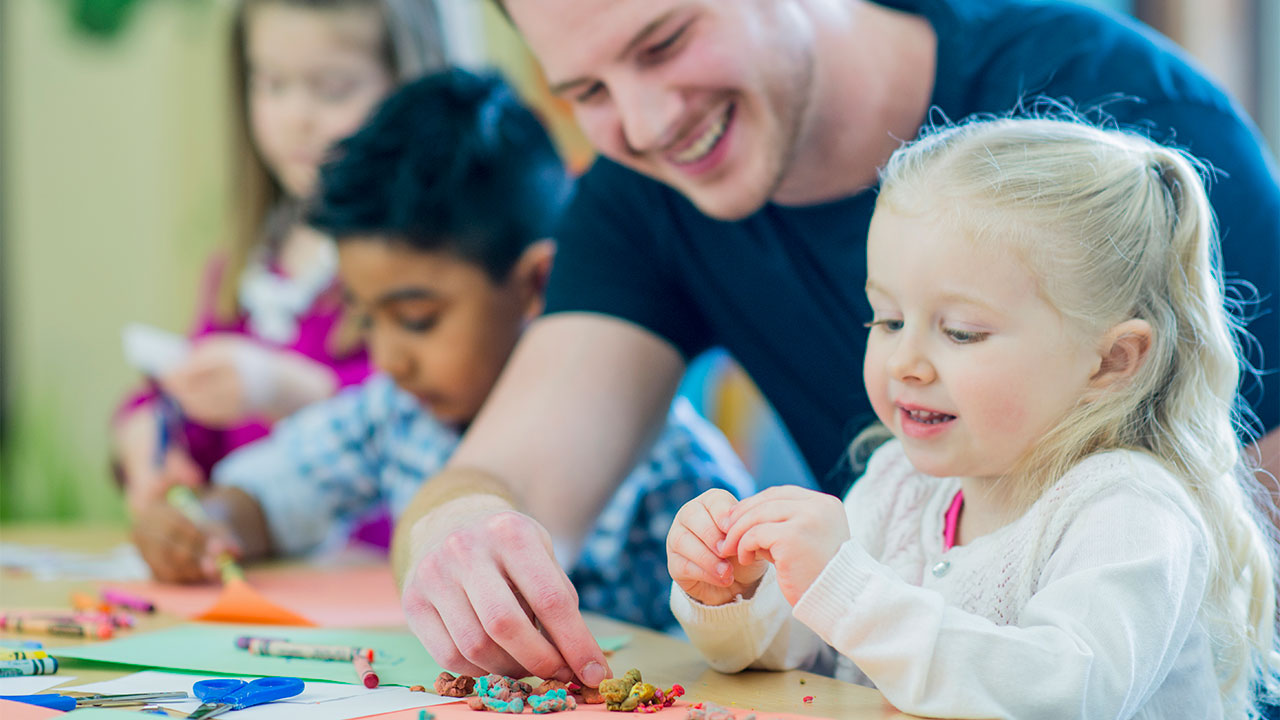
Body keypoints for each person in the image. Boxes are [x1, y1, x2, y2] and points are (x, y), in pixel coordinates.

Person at [391, 0, 1280, 689]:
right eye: (583, 92)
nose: (645, 121)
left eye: (663, 43)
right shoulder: (642, 190)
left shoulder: (1131, 120)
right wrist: (466, 538)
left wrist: (853, 592)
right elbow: (504, 477)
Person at [668, 116, 1279, 718]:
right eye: (887, 320)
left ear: (1111, 362)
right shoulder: (898, 484)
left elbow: (1065, 696)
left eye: (961, 332)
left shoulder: (1130, 512)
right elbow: (806, 658)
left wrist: (847, 587)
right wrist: (736, 597)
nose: (905, 362)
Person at [129, 69, 755, 634]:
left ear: (537, 284)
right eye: (365, 319)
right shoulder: (395, 414)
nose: (389, 357)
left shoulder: (670, 467)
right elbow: (275, 494)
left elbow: (752, 637)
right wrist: (206, 525)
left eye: (416, 319)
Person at [112, 0, 447, 522]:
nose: (296, 119)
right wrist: (149, 436)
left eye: (333, 89)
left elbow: (435, 425)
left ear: (407, 90)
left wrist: (290, 391)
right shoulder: (252, 261)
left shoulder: (432, 262)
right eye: (271, 84)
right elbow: (192, 410)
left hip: (377, 576)